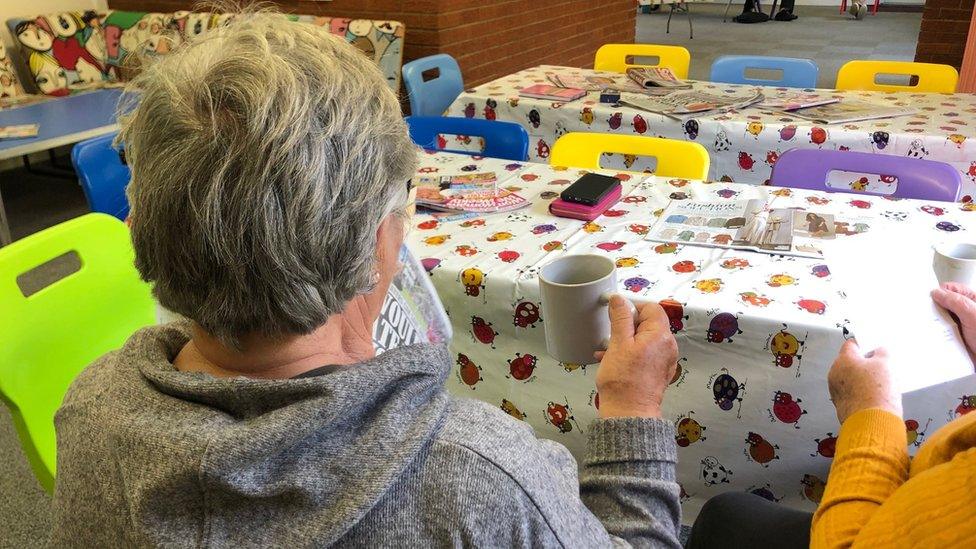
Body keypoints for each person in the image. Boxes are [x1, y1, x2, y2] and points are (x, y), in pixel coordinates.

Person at [48, 12, 685, 547]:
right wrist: (633, 411)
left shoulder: (90, 414)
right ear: (384, 241)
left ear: (138, 228)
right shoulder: (482, 475)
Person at [687, 282, 976, 548]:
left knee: (724, 518)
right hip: (918, 497)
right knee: (727, 513)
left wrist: (870, 410)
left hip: (881, 522)